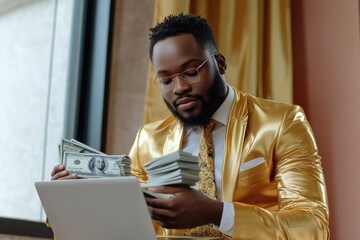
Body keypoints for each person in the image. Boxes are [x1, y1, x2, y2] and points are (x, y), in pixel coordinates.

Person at [52, 13, 329, 239]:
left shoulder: (282, 123)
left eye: (191, 71)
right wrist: (71, 201)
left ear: (220, 63)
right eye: (166, 79)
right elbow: (125, 227)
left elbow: (313, 226)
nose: (180, 88)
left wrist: (217, 213)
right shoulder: (149, 139)